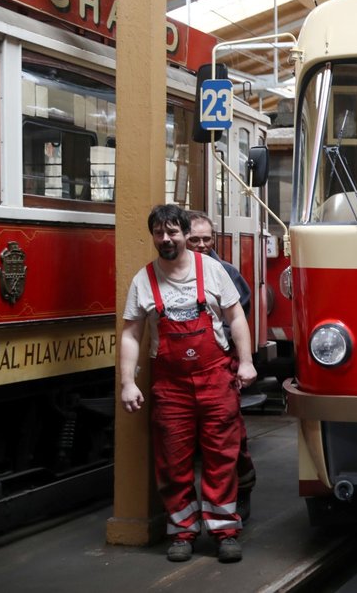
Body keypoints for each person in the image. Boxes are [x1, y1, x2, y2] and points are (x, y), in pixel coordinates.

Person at [119, 204, 256, 564]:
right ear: (154, 236)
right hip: (171, 386)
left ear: (183, 233)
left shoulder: (211, 271)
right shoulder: (143, 281)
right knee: (173, 461)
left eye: (172, 232)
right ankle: (182, 532)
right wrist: (127, 382)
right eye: (159, 233)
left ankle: (225, 531)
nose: (166, 239)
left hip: (215, 379)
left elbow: (236, 316)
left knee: (221, 456)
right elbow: (131, 333)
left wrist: (246, 362)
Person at [186, 210, 256, 522]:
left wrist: (239, 361)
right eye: (194, 240)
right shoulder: (169, 274)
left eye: (206, 239)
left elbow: (239, 317)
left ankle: (242, 493)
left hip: (220, 366)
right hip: (185, 371)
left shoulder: (226, 272)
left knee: (230, 439)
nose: (201, 245)